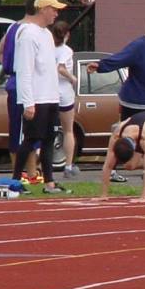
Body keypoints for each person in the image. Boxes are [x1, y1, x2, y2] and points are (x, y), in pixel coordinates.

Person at [13, 0, 69, 194]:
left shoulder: (46, 34)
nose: (56, 13)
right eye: (53, 9)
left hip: (50, 97)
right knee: (30, 140)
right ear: (43, 8)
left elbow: (48, 67)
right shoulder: (27, 34)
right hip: (36, 98)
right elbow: (25, 70)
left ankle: (50, 182)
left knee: (48, 140)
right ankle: (15, 181)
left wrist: (56, 96)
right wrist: (29, 102)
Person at [0, 0, 40, 180]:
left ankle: (28, 173)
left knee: (21, 130)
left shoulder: (12, 27)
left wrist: (8, 66)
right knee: (23, 131)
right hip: (23, 83)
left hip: (15, 80)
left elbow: (0, 51)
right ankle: (25, 173)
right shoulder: (28, 30)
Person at [52, 21, 81, 178]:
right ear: (67, 34)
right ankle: (68, 166)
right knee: (68, 130)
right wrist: (73, 78)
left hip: (48, 91)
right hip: (63, 92)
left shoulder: (48, 48)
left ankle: (40, 166)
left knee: (45, 130)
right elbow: (61, 67)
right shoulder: (66, 50)